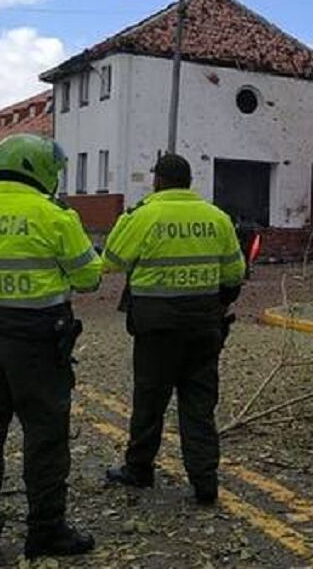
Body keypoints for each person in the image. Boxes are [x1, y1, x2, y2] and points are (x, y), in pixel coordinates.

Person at [0, 134, 103, 565]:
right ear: (39, 168)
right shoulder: (54, 216)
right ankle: (46, 532)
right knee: (45, 439)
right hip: (38, 343)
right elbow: (89, 277)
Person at [102, 154, 244, 505]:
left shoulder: (143, 215)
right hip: (203, 325)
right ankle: (205, 482)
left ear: (158, 181)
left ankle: (139, 469)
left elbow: (111, 263)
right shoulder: (217, 218)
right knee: (199, 406)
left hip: (157, 327)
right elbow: (234, 275)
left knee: (149, 401)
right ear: (188, 181)